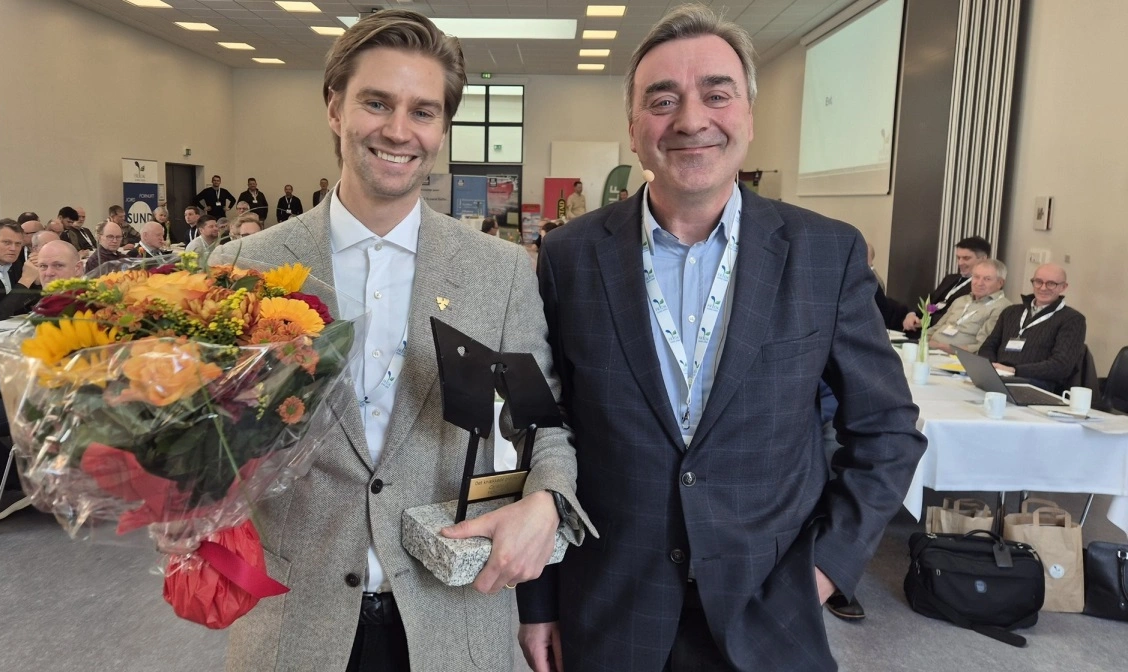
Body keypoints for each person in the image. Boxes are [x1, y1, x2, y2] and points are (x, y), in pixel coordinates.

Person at [519, 7, 925, 671]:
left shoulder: (826, 253)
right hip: (608, 606)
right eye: (662, 99)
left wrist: (826, 568)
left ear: (749, 116)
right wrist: (538, 600)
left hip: (770, 611)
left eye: (716, 93)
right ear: (632, 128)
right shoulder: (569, 256)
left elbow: (887, 431)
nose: (690, 119)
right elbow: (541, 429)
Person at [211, 10, 589, 671]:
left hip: (454, 617)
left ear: (442, 128)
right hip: (297, 621)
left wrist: (548, 500)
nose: (397, 130)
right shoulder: (246, 266)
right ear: (335, 108)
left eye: (422, 111)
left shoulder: (497, 272)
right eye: (376, 103)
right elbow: (205, 431)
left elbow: (542, 426)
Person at [0, 241, 85, 526]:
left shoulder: (77, 305)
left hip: (53, 398)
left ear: (79, 267)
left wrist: (7, 361)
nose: (48, 272)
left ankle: (19, 487)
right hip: (39, 387)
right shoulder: (56, 299)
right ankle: (8, 479)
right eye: (43, 266)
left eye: (58, 266)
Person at [978, 262, 1086, 393]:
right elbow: (988, 346)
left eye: (1051, 283)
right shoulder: (1011, 312)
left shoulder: (1072, 319)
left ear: (1063, 287)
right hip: (999, 376)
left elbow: (1061, 366)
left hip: (1036, 384)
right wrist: (991, 367)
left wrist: (1014, 371)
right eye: (1038, 282)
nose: (1043, 288)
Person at [902, 236, 991, 331]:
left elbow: (962, 317)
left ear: (983, 259)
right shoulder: (950, 279)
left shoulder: (982, 287)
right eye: (958, 258)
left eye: (966, 258)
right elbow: (930, 301)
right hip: (921, 326)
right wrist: (912, 314)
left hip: (943, 333)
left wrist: (926, 321)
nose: (960, 263)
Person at [926, 258, 1011, 354]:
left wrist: (943, 347)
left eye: (987, 279)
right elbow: (936, 328)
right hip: (930, 351)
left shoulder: (1002, 308)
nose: (979, 283)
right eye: (976, 277)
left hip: (958, 358)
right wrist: (923, 342)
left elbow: (982, 347)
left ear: (1000, 283)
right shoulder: (961, 300)